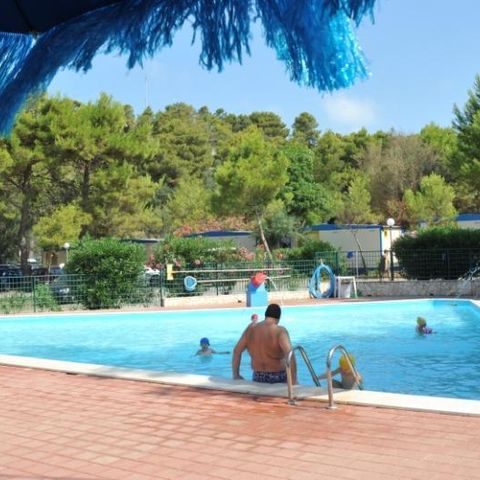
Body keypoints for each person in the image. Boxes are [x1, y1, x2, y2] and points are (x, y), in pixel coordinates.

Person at [232, 303, 297, 384]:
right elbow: (290, 355)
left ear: (265, 315)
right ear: (278, 318)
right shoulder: (280, 331)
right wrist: (293, 380)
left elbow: (236, 351)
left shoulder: (251, 329)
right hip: (278, 376)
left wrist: (236, 374)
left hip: (258, 377)